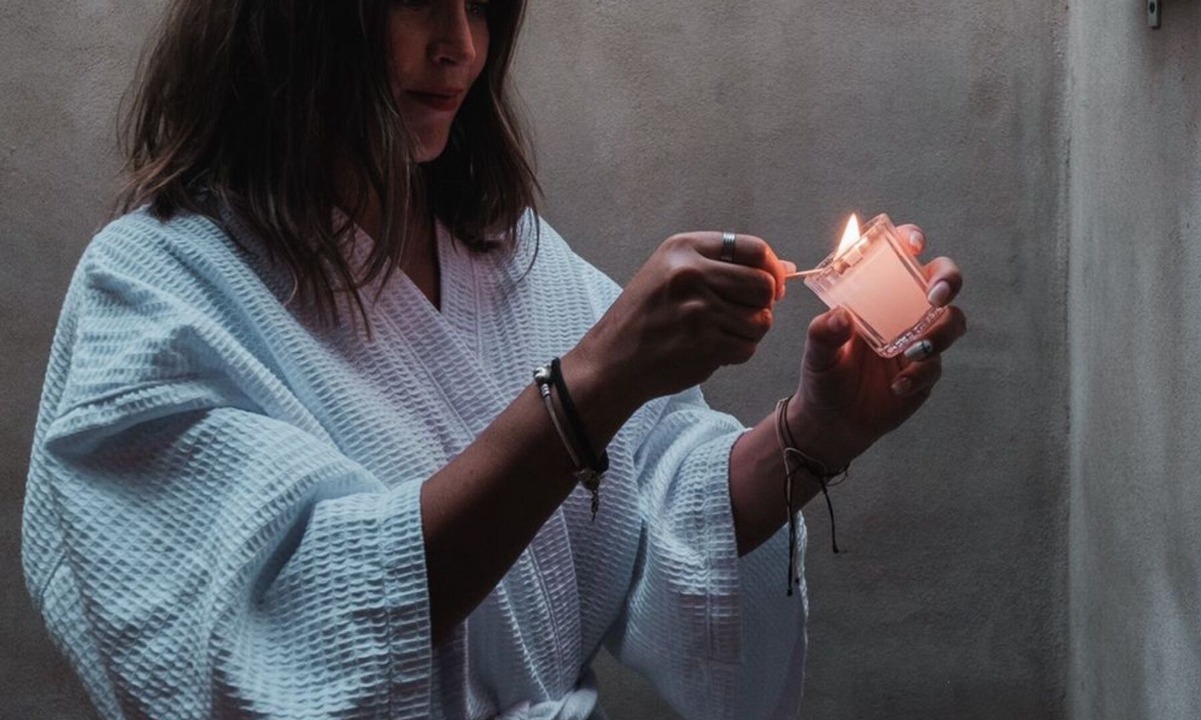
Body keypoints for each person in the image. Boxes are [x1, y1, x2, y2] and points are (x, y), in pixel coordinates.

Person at [22, 0, 967, 718]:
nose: (461, 45)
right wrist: (591, 386)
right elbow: (287, 629)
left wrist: (815, 433)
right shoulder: (158, 291)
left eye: (481, 5)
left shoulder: (498, 247)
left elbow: (656, 491)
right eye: (417, 0)